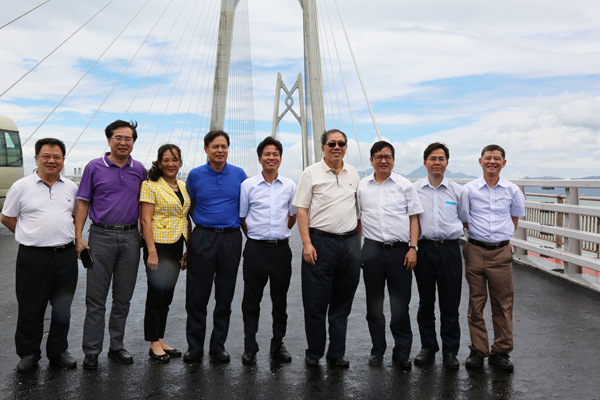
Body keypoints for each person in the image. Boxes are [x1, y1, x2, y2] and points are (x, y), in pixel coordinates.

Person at [1, 138, 79, 373]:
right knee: (30, 306)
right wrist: (29, 235)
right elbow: (7, 217)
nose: (51, 160)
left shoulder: (71, 187)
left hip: (65, 255)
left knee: (62, 306)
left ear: (63, 160)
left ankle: (58, 351)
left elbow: (75, 216)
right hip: (32, 256)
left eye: (57, 157)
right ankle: (28, 353)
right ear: (36, 158)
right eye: (46, 156)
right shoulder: (21, 187)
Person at [75, 120, 147, 369]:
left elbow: (146, 205)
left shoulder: (139, 169)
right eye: (118, 137)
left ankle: (117, 346)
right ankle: (92, 350)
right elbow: (83, 203)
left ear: (133, 142)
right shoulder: (94, 167)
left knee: (123, 297)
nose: (123, 143)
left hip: (130, 237)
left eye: (128, 139)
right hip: (101, 236)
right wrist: (79, 237)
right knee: (96, 299)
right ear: (108, 140)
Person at [293, 128, 361, 368]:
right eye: (331, 144)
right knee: (316, 302)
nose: (336, 147)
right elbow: (302, 209)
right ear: (323, 148)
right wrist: (307, 243)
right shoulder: (310, 173)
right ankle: (314, 352)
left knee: (342, 303)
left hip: (349, 244)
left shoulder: (353, 173)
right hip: (320, 242)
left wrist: (358, 246)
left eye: (341, 143)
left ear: (346, 147)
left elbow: (358, 212)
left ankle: (336, 352)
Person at [357, 141, 423, 369]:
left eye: (387, 156)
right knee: (374, 305)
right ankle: (377, 350)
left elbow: (414, 217)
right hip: (372, 250)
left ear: (394, 160)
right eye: (378, 156)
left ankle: (402, 353)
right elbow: (358, 219)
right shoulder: (362, 187)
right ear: (371, 160)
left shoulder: (405, 185)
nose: (383, 160)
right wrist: (358, 249)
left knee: (400, 305)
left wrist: (413, 248)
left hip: (400, 252)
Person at [184, 130, 247, 363]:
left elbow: (245, 207)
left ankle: (218, 346)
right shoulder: (195, 175)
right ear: (206, 149)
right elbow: (190, 207)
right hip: (203, 237)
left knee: (224, 295)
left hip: (230, 238)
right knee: (196, 296)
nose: (220, 151)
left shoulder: (239, 174)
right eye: (215, 147)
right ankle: (194, 347)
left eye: (224, 147)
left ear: (228, 149)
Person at [463, 144, 525, 372]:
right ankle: (478, 350)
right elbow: (464, 218)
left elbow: (514, 220)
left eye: (497, 158)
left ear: (503, 163)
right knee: (476, 302)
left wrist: (500, 238)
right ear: (480, 161)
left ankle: (501, 350)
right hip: (475, 249)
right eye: (488, 158)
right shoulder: (469, 190)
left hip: (501, 251)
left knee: (503, 303)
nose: (492, 161)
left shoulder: (512, 191)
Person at [239, 136, 297, 365]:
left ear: (280, 158)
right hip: (255, 249)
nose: (271, 157)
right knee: (250, 300)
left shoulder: (290, 186)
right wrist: (257, 236)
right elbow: (243, 217)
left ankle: (278, 344)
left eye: (275, 154)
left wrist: (278, 233)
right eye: (267, 154)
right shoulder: (248, 186)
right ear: (260, 158)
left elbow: (292, 216)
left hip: (281, 251)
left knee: (279, 300)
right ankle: (250, 346)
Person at [413, 142, 469, 370]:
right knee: (426, 302)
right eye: (433, 158)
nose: (437, 162)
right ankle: (428, 347)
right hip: (424, 249)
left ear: (447, 162)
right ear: (425, 162)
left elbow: (464, 219)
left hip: (449, 250)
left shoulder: (457, 191)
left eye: (441, 159)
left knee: (450, 303)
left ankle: (450, 351)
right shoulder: (415, 189)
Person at [139, 144, 191, 363]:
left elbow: (184, 217)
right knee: (156, 295)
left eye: (175, 159)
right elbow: (145, 220)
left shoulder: (182, 186)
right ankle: (153, 343)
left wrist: (188, 247)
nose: (171, 164)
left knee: (167, 296)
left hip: (177, 244)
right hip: (158, 246)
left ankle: (160, 339)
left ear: (180, 163)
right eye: (166, 160)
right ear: (159, 163)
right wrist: (151, 252)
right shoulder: (150, 185)